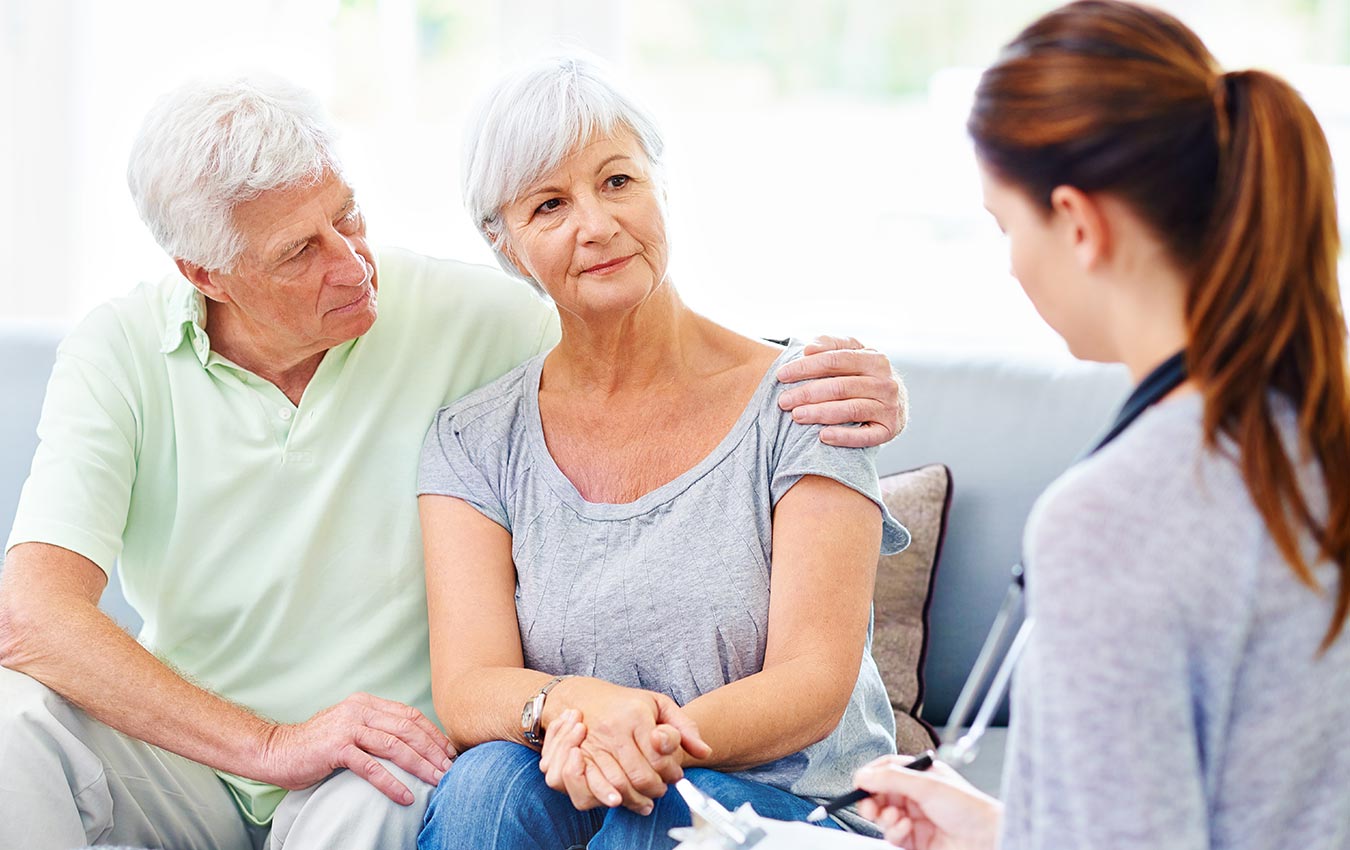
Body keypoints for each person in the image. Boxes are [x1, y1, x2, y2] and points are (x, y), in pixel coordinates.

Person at [0, 75, 908, 850]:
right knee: (12, 729)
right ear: (206, 274)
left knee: (528, 800)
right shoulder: (118, 350)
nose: (352, 264)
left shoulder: (463, 312)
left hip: (377, 758)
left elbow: (642, 330)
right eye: (298, 252)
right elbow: (31, 616)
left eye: (348, 215)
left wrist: (842, 382)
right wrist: (272, 745)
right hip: (201, 745)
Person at [852, 2, 1350, 849]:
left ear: (1079, 224)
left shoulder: (1115, 516)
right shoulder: (1309, 437)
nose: (1010, 262)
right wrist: (1012, 832)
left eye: (1008, 226)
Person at [414, 56, 910, 850]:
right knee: (483, 788)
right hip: (588, 788)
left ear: (660, 185)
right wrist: (572, 704)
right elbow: (470, 685)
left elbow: (815, 683)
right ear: (507, 247)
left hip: (798, 808)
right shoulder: (474, 439)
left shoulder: (806, 400)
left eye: (617, 182)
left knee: (668, 819)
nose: (597, 224)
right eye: (550, 204)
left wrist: (640, 746)